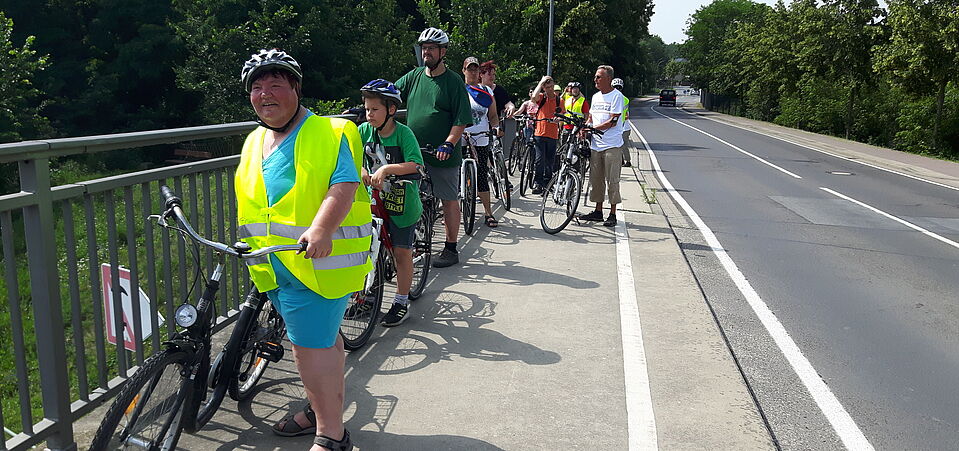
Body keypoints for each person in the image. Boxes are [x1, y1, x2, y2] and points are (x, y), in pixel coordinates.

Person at [238, 49, 369, 451]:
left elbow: (343, 184)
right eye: (257, 87)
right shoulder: (255, 139)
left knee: (309, 351)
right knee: (324, 342)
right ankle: (322, 410)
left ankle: (331, 435)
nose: (265, 94)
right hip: (271, 264)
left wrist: (322, 228)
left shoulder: (332, 131)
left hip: (314, 263)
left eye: (276, 84)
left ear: (296, 88)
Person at [395, 27, 473, 268]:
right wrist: (368, 105)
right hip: (413, 151)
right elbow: (391, 93)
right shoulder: (415, 76)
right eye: (424, 48)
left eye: (431, 48)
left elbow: (461, 119)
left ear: (443, 52)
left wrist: (449, 143)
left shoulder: (453, 82)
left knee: (449, 199)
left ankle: (451, 248)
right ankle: (408, 243)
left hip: (442, 153)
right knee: (406, 196)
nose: (426, 52)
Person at [357, 79, 424, 326]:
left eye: (375, 109)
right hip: (373, 201)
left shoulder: (404, 133)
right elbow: (352, 155)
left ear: (391, 110)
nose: (369, 114)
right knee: (367, 246)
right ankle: (368, 296)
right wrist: (362, 168)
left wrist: (385, 169)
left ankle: (401, 301)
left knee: (400, 253)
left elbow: (416, 164)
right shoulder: (364, 131)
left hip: (401, 202)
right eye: (367, 109)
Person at [580, 65, 625, 228]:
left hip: (612, 145)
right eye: (595, 77)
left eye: (599, 77)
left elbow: (613, 121)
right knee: (596, 180)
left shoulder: (616, 96)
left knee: (612, 180)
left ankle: (612, 213)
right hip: (596, 145)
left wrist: (593, 129)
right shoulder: (596, 97)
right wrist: (585, 127)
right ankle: (598, 211)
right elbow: (591, 117)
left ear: (608, 79)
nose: (596, 80)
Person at [463, 57, 504, 228]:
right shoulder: (458, 90)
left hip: (481, 136)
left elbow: (492, 115)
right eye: (469, 69)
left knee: (481, 175)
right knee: (456, 174)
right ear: (463, 70)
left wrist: (496, 127)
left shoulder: (486, 91)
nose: (472, 72)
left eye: (475, 69)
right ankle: (452, 211)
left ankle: (488, 212)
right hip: (461, 136)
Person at [529, 75, 566, 195]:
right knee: (539, 160)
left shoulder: (559, 100)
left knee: (550, 161)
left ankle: (548, 183)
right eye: (547, 87)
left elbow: (562, 116)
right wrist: (541, 83)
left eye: (551, 87)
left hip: (552, 134)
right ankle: (538, 182)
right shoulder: (541, 97)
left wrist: (558, 120)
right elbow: (533, 98)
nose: (549, 89)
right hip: (540, 133)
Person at [611, 77, 632, 167]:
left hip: (624, 127)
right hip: (616, 126)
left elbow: (626, 115)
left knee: (623, 145)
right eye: (616, 87)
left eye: (619, 88)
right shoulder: (611, 98)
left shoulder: (624, 99)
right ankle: (621, 160)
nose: (617, 89)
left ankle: (628, 161)